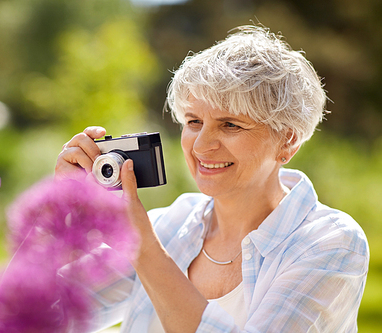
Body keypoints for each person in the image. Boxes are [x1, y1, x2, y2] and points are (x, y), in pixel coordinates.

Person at [55, 25, 369, 332]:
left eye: (230, 124)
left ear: (288, 140)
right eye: (194, 121)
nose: (202, 145)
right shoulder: (168, 225)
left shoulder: (331, 243)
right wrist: (55, 214)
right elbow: (32, 316)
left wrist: (142, 248)